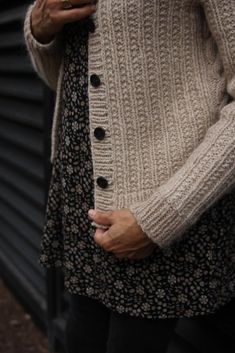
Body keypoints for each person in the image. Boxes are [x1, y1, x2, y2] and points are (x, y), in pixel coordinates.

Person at [24, 1, 235, 352]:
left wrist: (160, 217)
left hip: (158, 207)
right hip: (84, 203)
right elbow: (73, 77)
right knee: (80, 341)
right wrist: (40, 29)